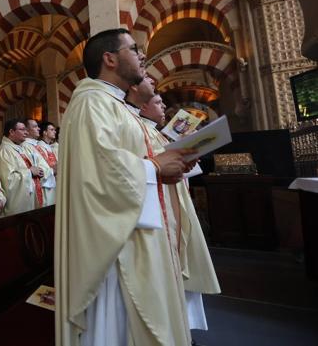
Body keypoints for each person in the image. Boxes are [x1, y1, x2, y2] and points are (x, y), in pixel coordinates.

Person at [55, 28, 196, 346]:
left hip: (137, 229)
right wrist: (157, 166)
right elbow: (100, 170)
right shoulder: (91, 103)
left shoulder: (116, 105)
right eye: (134, 49)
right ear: (110, 59)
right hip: (116, 245)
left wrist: (164, 168)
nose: (142, 55)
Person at [139, 92, 221, 332]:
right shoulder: (142, 130)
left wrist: (185, 160)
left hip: (175, 198)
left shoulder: (155, 131)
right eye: (157, 102)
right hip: (161, 207)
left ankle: (185, 327)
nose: (163, 105)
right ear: (143, 106)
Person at [0, 119, 41, 215]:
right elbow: (8, 180)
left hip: (30, 198)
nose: (26, 132)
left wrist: (38, 171)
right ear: (11, 132)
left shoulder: (18, 148)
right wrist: (30, 172)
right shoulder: (5, 151)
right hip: (17, 205)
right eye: (22, 129)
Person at [22, 118, 55, 206]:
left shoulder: (36, 145)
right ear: (27, 130)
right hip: (42, 185)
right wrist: (52, 170)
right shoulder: (26, 146)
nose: (39, 128)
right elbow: (35, 167)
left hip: (49, 183)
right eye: (35, 126)